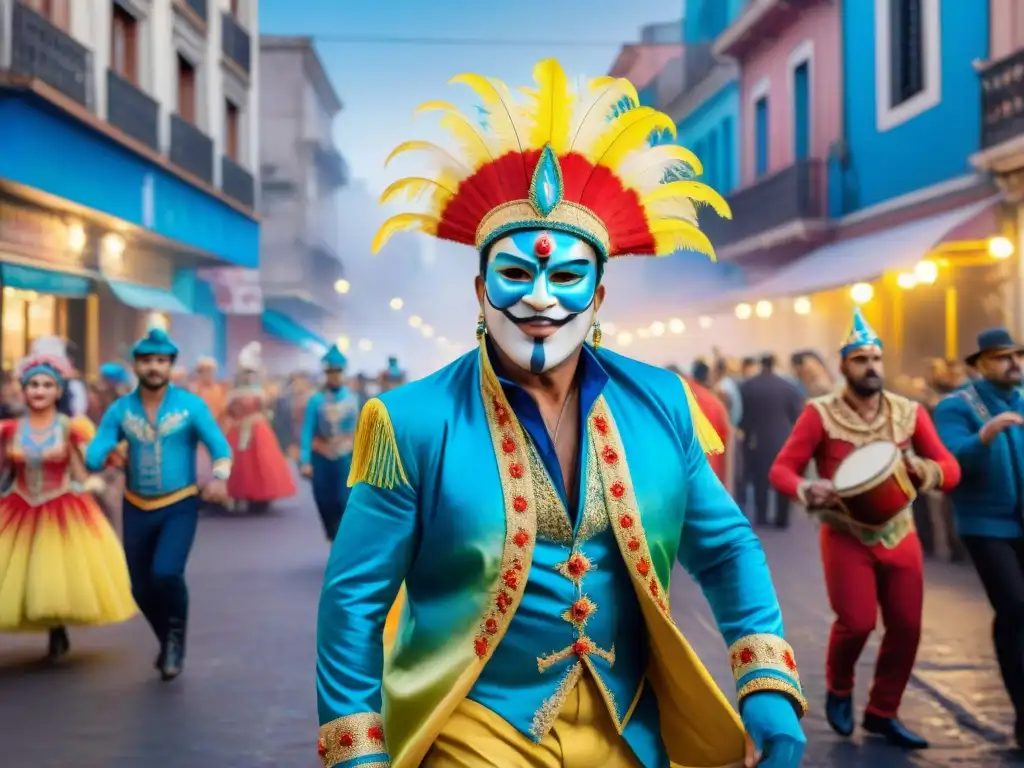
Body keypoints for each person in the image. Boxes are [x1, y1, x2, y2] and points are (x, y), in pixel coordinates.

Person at [315, 58, 806, 768]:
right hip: (473, 726)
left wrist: (765, 678)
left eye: (566, 276)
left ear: (599, 296)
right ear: (480, 290)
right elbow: (353, 603)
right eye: (516, 274)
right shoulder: (410, 422)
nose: (541, 298)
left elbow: (727, 548)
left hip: (631, 726)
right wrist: (355, 751)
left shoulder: (664, 404)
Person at [768, 307, 960, 749]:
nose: (871, 367)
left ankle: (883, 711)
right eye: (861, 359)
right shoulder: (819, 414)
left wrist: (924, 471)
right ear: (843, 365)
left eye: (876, 359)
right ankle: (839, 687)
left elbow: (951, 469)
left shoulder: (909, 413)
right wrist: (806, 488)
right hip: (844, 533)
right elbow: (782, 470)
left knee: (907, 626)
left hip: (900, 531)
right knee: (855, 623)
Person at [85, 327, 232, 681]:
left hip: (179, 504)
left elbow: (219, 447)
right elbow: (93, 453)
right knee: (139, 587)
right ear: (136, 365)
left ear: (170, 366)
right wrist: (107, 453)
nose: (154, 367)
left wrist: (220, 476)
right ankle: (167, 639)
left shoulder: (191, 406)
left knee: (166, 573)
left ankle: (176, 641)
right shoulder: (120, 410)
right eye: (147, 360)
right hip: (136, 504)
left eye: (161, 361)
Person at [0, 348, 136, 659]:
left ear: (59, 390)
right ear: (23, 389)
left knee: (54, 569)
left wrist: (110, 460)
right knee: (16, 572)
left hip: (62, 506)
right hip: (17, 507)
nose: (39, 391)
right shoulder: (9, 431)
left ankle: (56, 627)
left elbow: (88, 463)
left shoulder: (70, 427)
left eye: (47, 385)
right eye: (33, 385)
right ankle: (42, 620)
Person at [933, 327, 1024, 749]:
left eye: (1018, 356)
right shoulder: (958, 405)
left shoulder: (1022, 400)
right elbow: (949, 458)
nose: (1014, 363)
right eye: (1004, 357)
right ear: (980, 364)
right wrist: (985, 436)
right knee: (1015, 606)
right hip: (986, 525)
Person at [223, 342, 296, 511]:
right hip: (238, 428)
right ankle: (236, 494)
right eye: (246, 372)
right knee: (238, 463)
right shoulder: (233, 393)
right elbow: (228, 411)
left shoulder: (260, 392)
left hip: (257, 429)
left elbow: (267, 411)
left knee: (261, 463)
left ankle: (261, 496)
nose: (248, 376)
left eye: (251, 372)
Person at [300, 345, 359, 541]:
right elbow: (307, 430)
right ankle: (331, 534)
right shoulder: (316, 401)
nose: (335, 377)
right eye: (331, 373)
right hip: (322, 456)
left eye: (338, 372)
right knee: (324, 501)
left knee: (344, 500)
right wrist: (305, 460)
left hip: (346, 457)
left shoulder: (353, 400)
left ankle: (342, 541)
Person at [739, 353, 804, 528]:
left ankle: (761, 516)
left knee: (760, 479)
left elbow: (743, 417)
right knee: (782, 477)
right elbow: (797, 415)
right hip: (783, 439)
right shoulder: (789, 387)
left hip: (756, 440)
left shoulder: (747, 386)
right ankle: (782, 518)